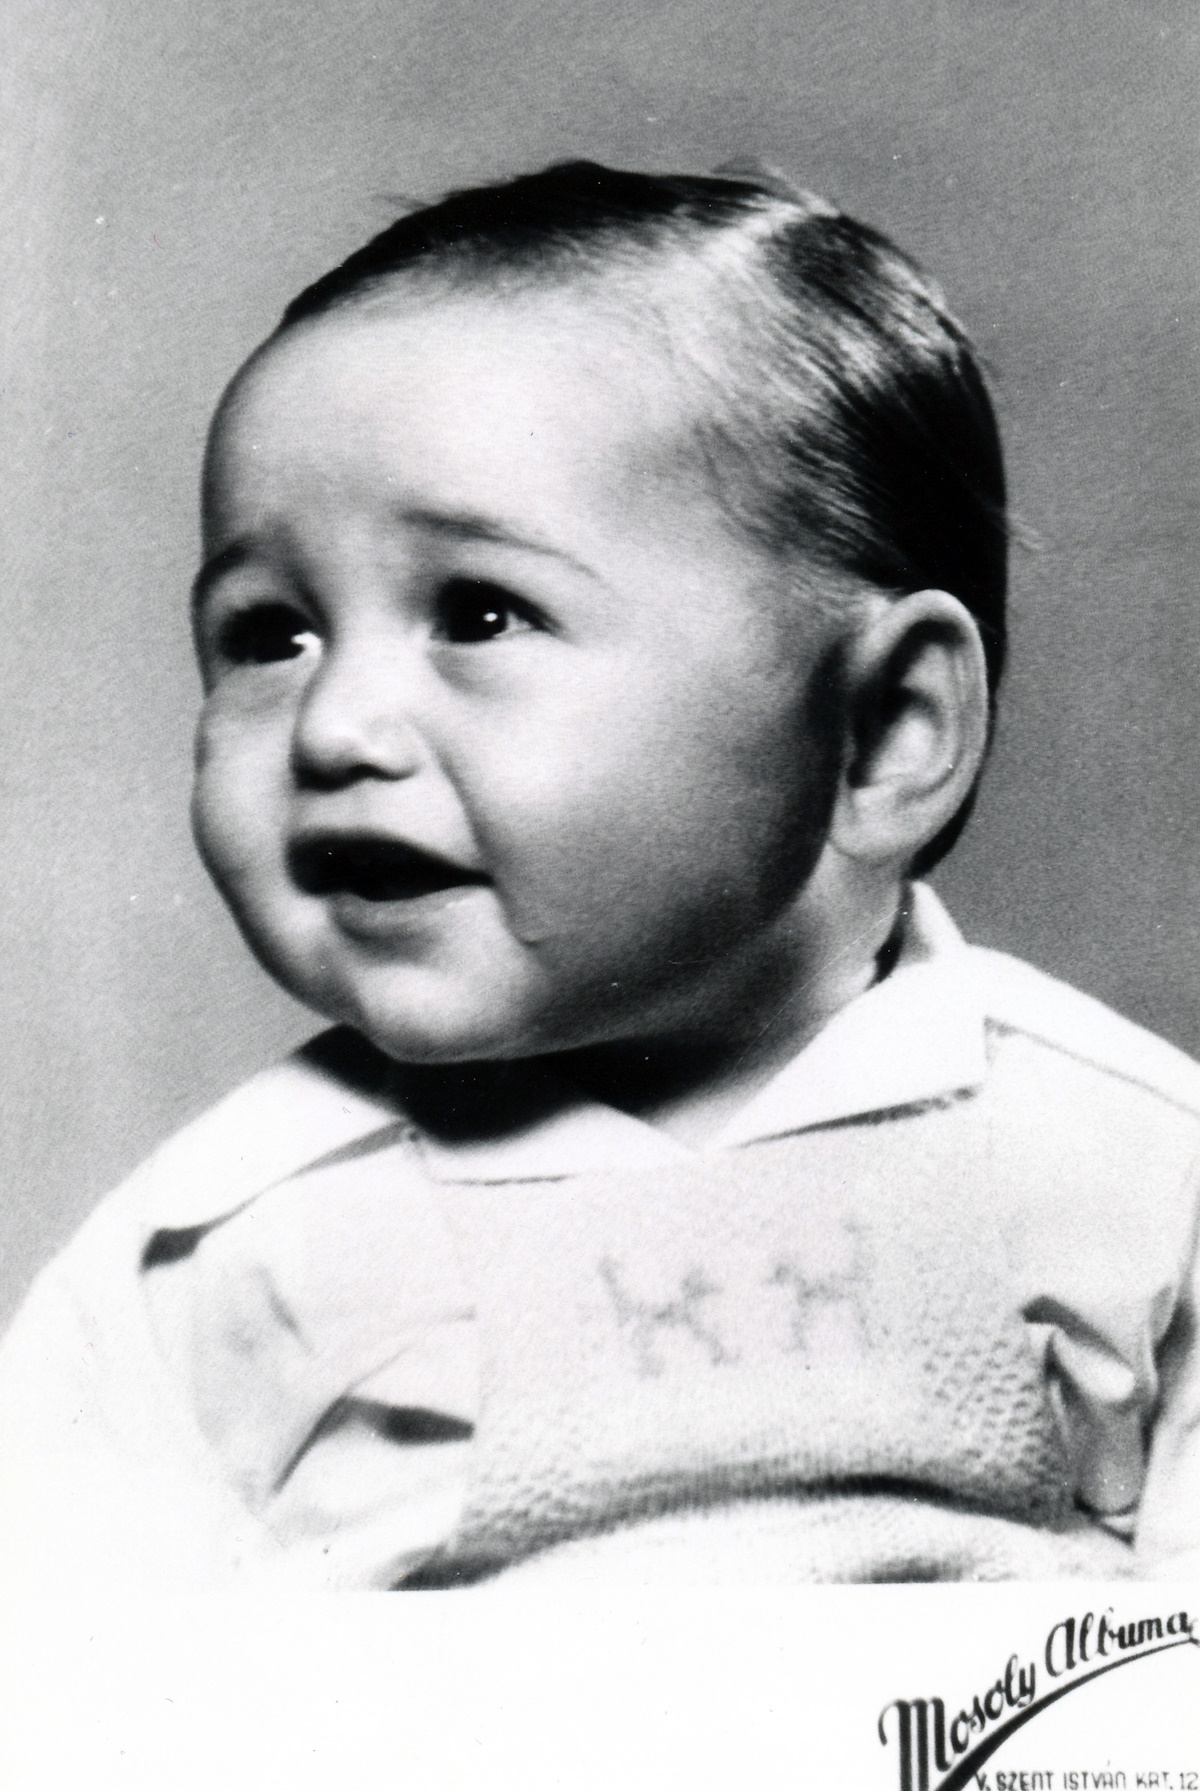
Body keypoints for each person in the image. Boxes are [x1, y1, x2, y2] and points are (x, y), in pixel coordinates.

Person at [1, 162, 1196, 1588]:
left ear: (882, 732)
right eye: (271, 635)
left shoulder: (1122, 1161)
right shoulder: (222, 1251)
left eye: (480, 613)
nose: (335, 727)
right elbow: (66, 1665)